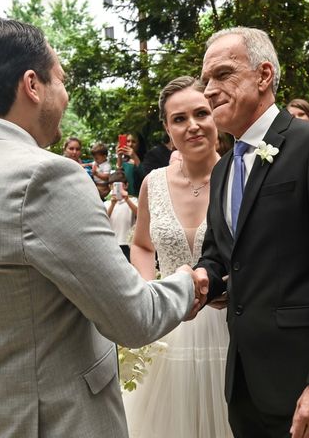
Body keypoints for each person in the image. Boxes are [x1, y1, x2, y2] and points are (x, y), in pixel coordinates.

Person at [0, 18, 206, 438]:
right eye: (61, 80)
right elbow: (134, 319)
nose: (65, 95)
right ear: (32, 85)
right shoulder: (44, 177)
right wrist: (185, 281)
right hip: (58, 422)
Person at [197, 27, 309, 438]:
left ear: (263, 76)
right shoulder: (223, 168)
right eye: (205, 80)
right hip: (244, 383)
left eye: (222, 75)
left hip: (305, 382)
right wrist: (205, 278)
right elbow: (221, 253)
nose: (209, 90)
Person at [125, 76, 232, 438]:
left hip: (230, 326)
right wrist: (145, 289)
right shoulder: (152, 183)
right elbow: (141, 245)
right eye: (179, 119)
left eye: (201, 113)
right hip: (169, 328)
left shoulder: (242, 178)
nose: (193, 126)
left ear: (216, 116)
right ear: (168, 129)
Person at [105, 170, 138, 262]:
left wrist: (127, 199)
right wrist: (112, 204)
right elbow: (103, 220)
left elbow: (140, 215)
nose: (117, 189)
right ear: (110, 186)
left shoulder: (133, 200)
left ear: (126, 185)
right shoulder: (106, 204)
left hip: (128, 243)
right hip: (112, 243)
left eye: (120, 185)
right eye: (114, 186)